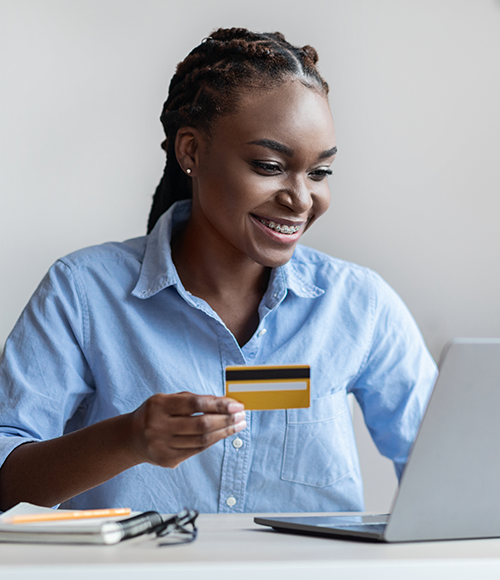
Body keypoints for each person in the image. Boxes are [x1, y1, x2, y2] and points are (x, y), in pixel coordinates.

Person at [0, 28, 437, 513]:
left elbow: (450, 470)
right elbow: (5, 485)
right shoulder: (82, 293)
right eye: (269, 165)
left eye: (319, 173)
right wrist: (128, 439)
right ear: (191, 151)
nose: (300, 198)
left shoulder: (358, 304)